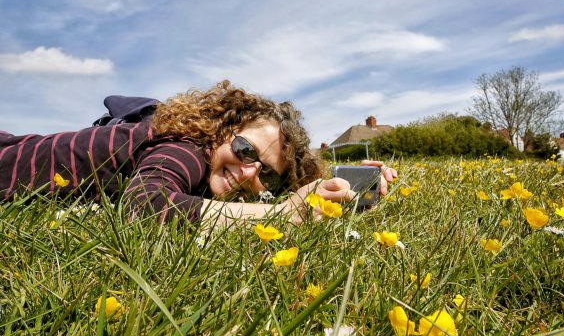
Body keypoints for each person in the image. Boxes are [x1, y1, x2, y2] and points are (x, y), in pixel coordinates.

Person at [0, 80, 396, 226]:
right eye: (244, 150)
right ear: (224, 131)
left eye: (267, 174)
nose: (247, 172)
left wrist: (347, 182)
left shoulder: (205, 158)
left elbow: (295, 188)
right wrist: (280, 212)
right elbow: (144, 204)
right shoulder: (185, 149)